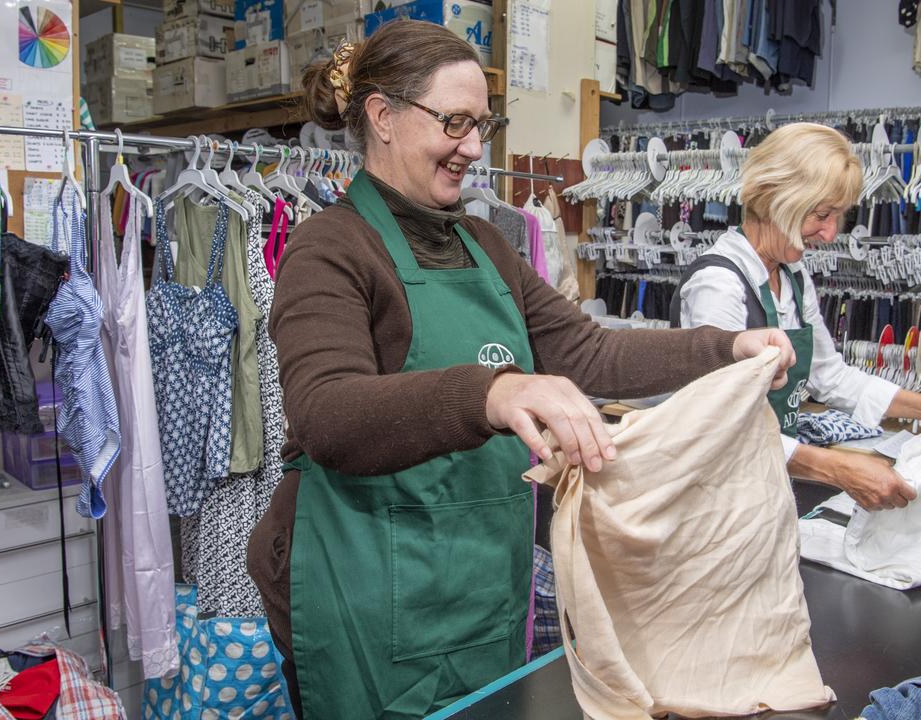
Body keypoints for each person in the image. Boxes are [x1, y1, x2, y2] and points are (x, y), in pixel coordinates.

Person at [247, 20, 795, 720]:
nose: (475, 148)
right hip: (366, 595)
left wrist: (723, 348)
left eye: (483, 124)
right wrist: (495, 392)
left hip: (473, 586)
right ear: (382, 117)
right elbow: (328, 415)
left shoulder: (483, 244)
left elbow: (588, 351)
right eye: (454, 122)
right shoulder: (330, 249)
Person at [675, 122, 921, 512]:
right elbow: (721, 425)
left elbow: (832, 377)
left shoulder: (792, 276)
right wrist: (835, 468)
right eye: (821, 214)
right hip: (716, 495)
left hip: (766, 478)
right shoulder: (719, 285)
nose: (829, 234)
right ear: (775, 198)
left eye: (837, 216)